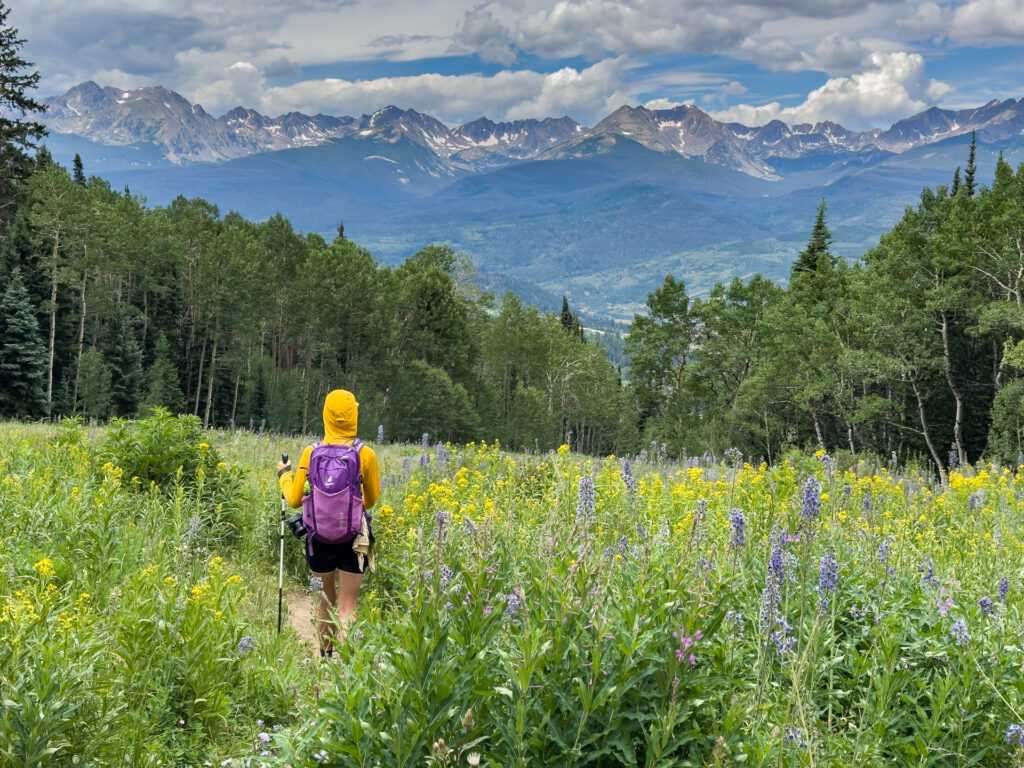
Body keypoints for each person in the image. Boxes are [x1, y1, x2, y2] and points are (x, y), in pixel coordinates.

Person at [276, 389, 380, 658]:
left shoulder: (311, 452)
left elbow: (296, 499)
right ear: (353, 416)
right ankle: (349, 668)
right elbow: (371, 500)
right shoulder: (365, 454)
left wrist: (283, 476)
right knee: (348, 604)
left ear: (326, 415)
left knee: (324, 599)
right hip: (354, 537)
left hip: (319, 537)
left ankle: (325, 656)